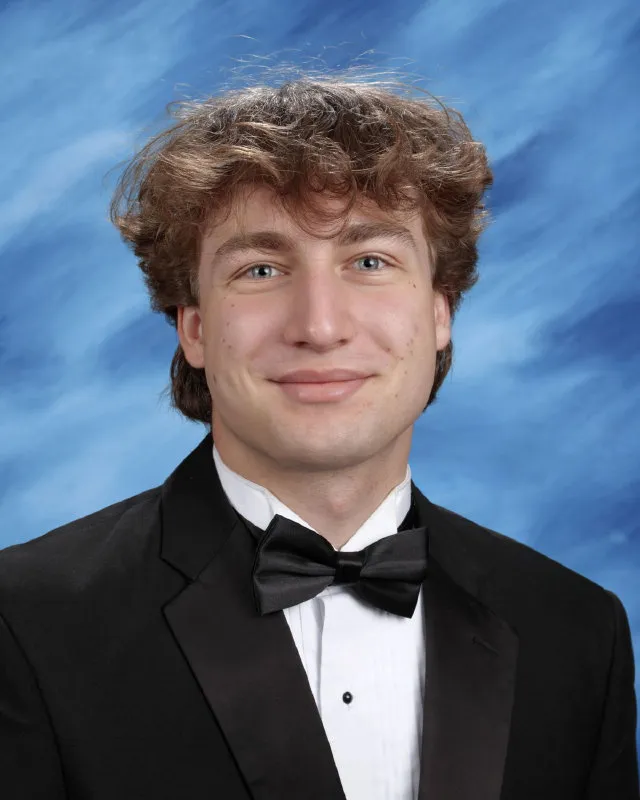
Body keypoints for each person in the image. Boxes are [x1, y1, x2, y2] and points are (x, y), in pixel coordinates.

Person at [0, 71, 637, 800]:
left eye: (370, 262)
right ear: (196, 328)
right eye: (261, 269)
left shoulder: (578, 631)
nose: (320, 325)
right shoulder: (24, 623)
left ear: (440, 314)